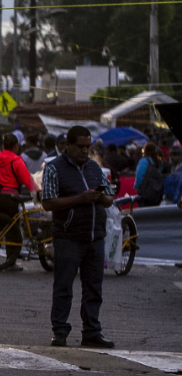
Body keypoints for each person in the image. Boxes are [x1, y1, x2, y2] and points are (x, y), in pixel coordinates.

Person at [41, 126, 116, 349]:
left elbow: (110, 197)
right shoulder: (54, 168)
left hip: (95, 236)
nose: (85, 151)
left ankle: (92, 331)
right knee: (63, 286)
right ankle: (60, 331)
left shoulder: (95, 168)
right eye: (80, 146)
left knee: (93, 288)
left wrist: (102, 197)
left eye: (88, 146)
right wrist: (80, 199)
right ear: (68, 145)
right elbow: (48, 202)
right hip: (68, 237)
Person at [0, 133, 38, 272]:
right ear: (16, 146)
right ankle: (10, 261)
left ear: (3, 146)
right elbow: (27, 181)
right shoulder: (17, 160)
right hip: (10, 198)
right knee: (13, 230)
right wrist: (38, 193)